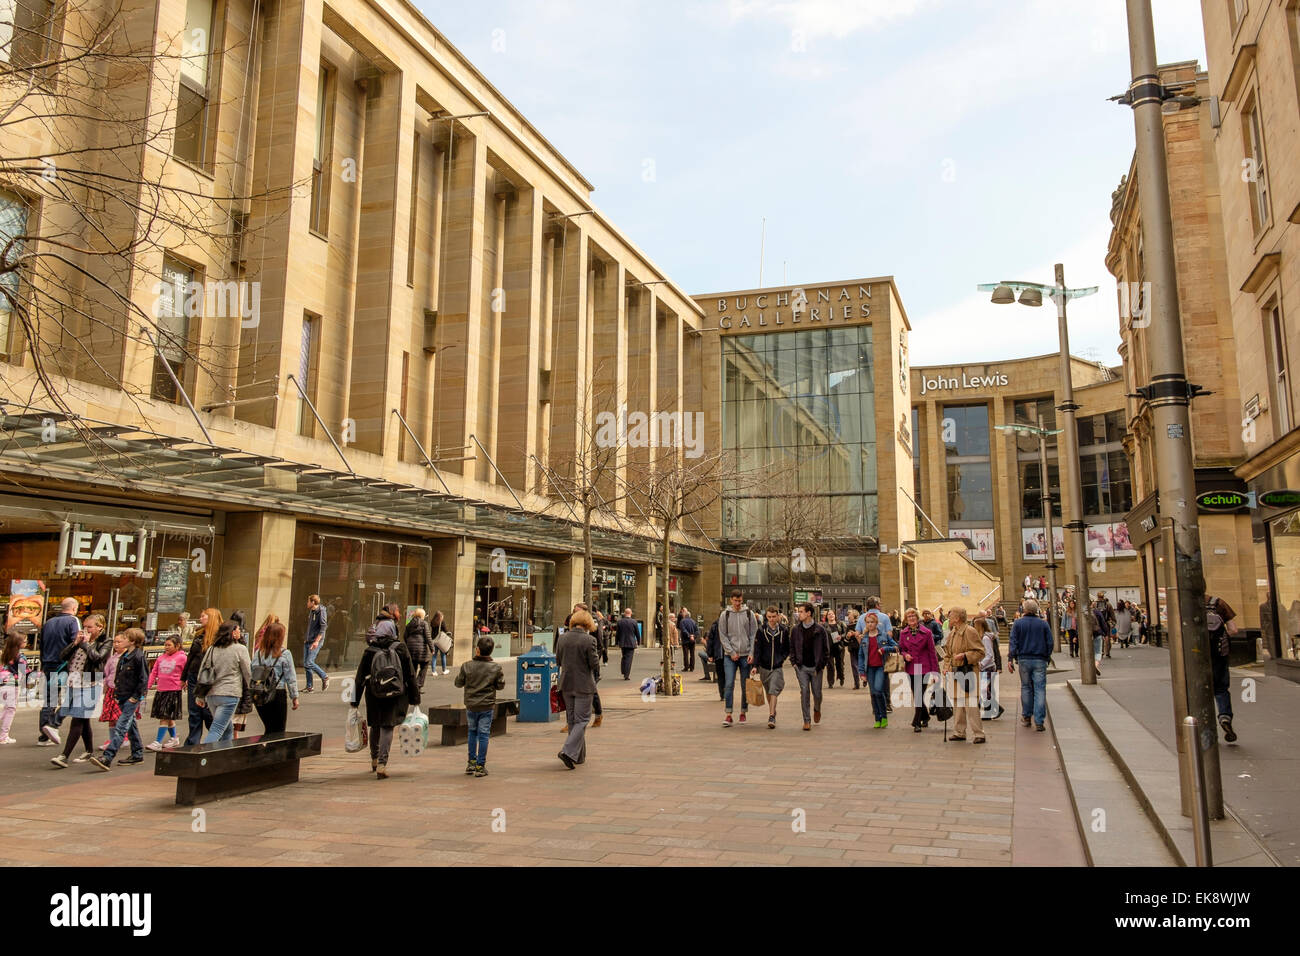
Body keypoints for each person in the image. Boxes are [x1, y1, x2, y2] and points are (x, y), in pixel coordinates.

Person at [351, 609, 419, 778]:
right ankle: (382, 763)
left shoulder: (370, 650)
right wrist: (415, 697)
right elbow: (410, 674)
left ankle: (374, 759)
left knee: (375, 724)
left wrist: (355, 701)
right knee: (388, 726)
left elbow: (360, 677)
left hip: (374, 693)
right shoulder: (401, 648)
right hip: (396, 694)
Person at [49, 615, 110, 767]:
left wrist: (86, 644)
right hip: (74, 683)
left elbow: (98, 659)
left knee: (77, 718)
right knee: (83, 719)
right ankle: (89, 750)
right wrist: (74, 644)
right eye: (84, 626)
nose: (85, 630)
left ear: (99, 627)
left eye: (89, 627)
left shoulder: (105, 642)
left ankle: (64, 756)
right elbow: (62, 656)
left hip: (91, 684)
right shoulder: (80, 641)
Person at [96, 628, 149, 769]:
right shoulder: (125, 656)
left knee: (121, 727)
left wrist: (136, 697)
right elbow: (119, 676)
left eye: (125, 638)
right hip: (123, 695)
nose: (121, 640)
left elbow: (143, 679)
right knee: (130, 726)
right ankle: (137, 754)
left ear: (132, 641)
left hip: (131, 697)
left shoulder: (138, 657)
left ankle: (107, 757)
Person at [555, 609, 600, 770]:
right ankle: (567, 751)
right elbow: (594, 664)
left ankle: (578, 756)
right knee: (582, 720)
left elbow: (558, 660)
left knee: (573, 720)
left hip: (566, 684)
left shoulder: (562, 638)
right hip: (583, 685)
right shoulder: (589, 640)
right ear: (588, 623)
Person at [195, 621, 252, 746]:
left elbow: (202, 671)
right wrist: (252, 691)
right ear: (232, 632)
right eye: (238, 630)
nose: (240, 632)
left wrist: (200, 695)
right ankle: (203, 756)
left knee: (227, 728)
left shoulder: (212, 648)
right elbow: (248, 672)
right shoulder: (240, 649)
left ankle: (226, 757)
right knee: (218, 728)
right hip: (229, 694)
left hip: (211, 694)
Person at [455, 635, 505, 777]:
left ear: (477, 650)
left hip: (471, 705)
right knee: (483, 734)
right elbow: (500, 685)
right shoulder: (495, 667)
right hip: (486, 705)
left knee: (472, 732)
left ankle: (471, 762)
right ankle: (480, 765)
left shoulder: (467, 666)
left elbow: (458, 683)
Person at [37, 596, 81, 745]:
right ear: (74, 608)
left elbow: (41, 644)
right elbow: (77, 642)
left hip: (49, 662)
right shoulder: (72, 621)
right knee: (72, 696)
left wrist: (43, 662)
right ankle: (51, 726)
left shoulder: (48, 622)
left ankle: (44, 733)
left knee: (50, 698)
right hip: (63, 664)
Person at [942, 607, 985, 744]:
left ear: (957, 618)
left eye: (951, 615)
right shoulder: (953, 632)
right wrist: (946, 667)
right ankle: (959, 732)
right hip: (955, 671)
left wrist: (965, 655)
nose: (949, 617)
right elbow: (948, 654)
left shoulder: (970, 631)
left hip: (968, 671)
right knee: (958, 703)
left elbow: (980, 652)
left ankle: (979, 733)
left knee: (971, 703)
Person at [1008, 598, 1052, 732]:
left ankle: (1026, 717)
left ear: (1024, 610)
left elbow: (1013, 642)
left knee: (1026, 687)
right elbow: (1050, 642)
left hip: (1024, 659)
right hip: (1039, 659)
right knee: (1040, 689)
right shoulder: (1043, 624)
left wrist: (1011, 658)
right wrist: (1046, 656)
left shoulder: (1018, 623)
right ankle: (1039, 721)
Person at [716, 590, 756, 727]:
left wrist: (751, 652)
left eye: (739, 601)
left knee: (745, 685)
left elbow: (753, 635)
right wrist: (731, 652)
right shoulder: (725, 615)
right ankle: (728, 714)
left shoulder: (749, 614)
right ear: (731, 600)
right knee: (729, 683)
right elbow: (723, 635)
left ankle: (743, 712)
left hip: (745, 655)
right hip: (730, 656)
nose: (738, 603)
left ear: (742, 600)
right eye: (735, 601)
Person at [180, 608, 221, 745]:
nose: (200, 618)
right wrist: (183, 677)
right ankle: (192, 742)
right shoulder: (198, 635)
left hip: (210, 679)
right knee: (194, 712)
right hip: (194, 676)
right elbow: (190, 657)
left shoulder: (220, 637)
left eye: (203, 616)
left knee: (208, 713)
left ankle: (217, 739)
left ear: (211, 618)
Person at [251, 620, 299, 734]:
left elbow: (252, 672)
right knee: (279, 730)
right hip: (277, 693)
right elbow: (290, 677)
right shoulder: (285, 653)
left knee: (269, 727)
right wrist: (295, 697)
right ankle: (272, 751)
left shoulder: (258, 653)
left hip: (261, 693)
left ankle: (265, 750)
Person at [898, 607, 940, 733]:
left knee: (918, 694)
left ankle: (916, 722)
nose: (911, 618)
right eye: (909, 616)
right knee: (917, 694)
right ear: (906, 619)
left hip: (923, 666)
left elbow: (932, 653)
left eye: (913, 616)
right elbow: (901, 649)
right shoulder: (903, 633)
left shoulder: (926, 633)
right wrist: (905, 655)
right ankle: (925, 716)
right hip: (911, 667)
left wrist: (935, 672)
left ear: (917, 618)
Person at [789, 602, 828, 731]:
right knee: (804, 691)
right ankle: (806, 720)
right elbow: (792, 647)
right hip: (801, 667)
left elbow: (826, 650)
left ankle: (817, 708)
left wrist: (821, 665)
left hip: (816, 668)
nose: (798, 614)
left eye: (801, 611)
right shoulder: (795, 630)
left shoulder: (820, 629)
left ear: (808, 613)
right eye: (798, 611)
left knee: (817, 693)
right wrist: (794, 663)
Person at [144, 635, 187, 751]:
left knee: (164, 716)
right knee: (169, 717)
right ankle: (174, 738)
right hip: (161, 690)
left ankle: (157, 742)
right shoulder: (160, 658)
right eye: (165, 645)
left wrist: (185, 682)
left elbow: (186, 672)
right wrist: (147, 687)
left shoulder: (182, 658)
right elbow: (154, 673)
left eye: (169, 645)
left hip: (173, 691)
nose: (166, 647)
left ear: (177, 646)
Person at [1207, 595, 1239, 743]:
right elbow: (1234, 629)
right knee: (1220, 688)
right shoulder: (1218, 603)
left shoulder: (1185, 604)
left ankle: (1205, 730)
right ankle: (1225, 717)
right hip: (1219, 654)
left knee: (1199, 691)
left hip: (1196, 656)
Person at [753, 606, 790, 729]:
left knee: (773, 689)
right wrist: (755, 666)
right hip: (764, 666)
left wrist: (782, 658)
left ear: (778, 616)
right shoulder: (761, 631)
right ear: (766, 617)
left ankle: (771, 715)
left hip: (777, 666)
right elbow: (757, 650)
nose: (772, 619)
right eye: (769, 617)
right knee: (769, 691)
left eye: (774, 617)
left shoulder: (783, 631)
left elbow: (787, 648)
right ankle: (773, 709)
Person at [859, 611, 896, 729]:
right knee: (873, 693)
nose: (870, 624)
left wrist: (885, 649)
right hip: (869, 668)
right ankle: (877, 718)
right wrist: (861, 672)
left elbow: (896, 646)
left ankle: (884, 716)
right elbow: (860, 656)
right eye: (868, 622)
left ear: (876, 623)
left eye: (872, 622)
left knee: (879, 691)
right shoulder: (864, 639)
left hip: (881, 666)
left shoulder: (884, 635)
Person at [0, 629, 29, 744]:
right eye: (25, 641)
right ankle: (3, 735)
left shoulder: (6, 653)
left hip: (3, 683)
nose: (27, 642)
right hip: (13, 685)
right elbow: (22, 674)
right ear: (19, 643)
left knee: (6, 708)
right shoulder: (21, 657)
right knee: (10, 710)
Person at [302, 593, 330, 693]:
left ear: (313, 602)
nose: (307, 603)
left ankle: (324, 676)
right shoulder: (311, 611)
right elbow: (310, 626)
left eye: (308, 601)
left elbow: (323, 627)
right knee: (306, 664)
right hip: (308, 640)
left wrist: (316, 641)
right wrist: (306, 637)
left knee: (309, 662)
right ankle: (309, 687)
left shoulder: (321, 611)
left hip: (315, 641)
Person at [403, 608, 433, 689]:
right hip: (422, 649)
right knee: (424, 665)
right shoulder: (424, 623)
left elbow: (405, 636)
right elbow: (428, 637)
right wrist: (432, 648)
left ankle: (412, 686)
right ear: (422, 615)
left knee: (413, 667)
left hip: (411, 649)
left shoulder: (409, 624)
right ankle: (418, 685)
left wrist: (409, 644)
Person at [824, 608, 845, 689]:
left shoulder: (840, 624)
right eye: (829, 614)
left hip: (839, 647)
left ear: (835, 615)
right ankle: (830, 682)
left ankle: (841, 677)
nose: (831, 615)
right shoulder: (824, 625)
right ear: (827, 616)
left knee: (840, 665)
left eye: (832, 614)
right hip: (829, 648)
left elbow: (845, 633)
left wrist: (841, 636)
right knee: (830, 666)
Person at [615, 608, 639, 680]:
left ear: (624, 613)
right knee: (629, 659)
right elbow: (637, 633)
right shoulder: (634, 622)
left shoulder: (620, 622)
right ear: (630, 613)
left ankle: (623, 670)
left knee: (624, 657)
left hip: (623, 642)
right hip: (631, 642)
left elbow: (617, 633)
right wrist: (638, 641)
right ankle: (626, 675)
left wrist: (616, 642)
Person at [429, 610, 451, 675]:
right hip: (440, 641)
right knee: (443, 655)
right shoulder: (442, 622)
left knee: (434, 656)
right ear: (440, 617)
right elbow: (446, 630)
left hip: (434, 640)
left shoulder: (432, 622)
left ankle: (433, 671)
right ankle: (444, 670)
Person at [678, 607, 698, 672]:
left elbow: (683, 630)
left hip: (685, 640)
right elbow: (697, 631)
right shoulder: (693, 621)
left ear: (685, 615)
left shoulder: (682, 621)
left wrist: (689, 636)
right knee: (692, 654)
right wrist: (693, 636)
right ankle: (692, 667)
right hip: (692, 641)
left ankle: (686, 667)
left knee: (686, 654)